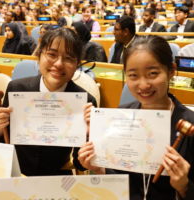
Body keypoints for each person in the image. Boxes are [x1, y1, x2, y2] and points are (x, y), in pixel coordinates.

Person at [78, 35, 194, 200]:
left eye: (152, 73)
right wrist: (97, 167)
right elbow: (119, 177)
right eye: (133, 75)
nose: (143, 85)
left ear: (171, 72)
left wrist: (184, 186)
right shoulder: (121, 117)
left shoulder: (190, 125)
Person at [0, 27, 97, 176]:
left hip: (56, 178)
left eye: (69, 58)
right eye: (52, 54)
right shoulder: (16, 89)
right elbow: (3, 144)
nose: (59, 64)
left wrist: (89, 139)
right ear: (39, 57)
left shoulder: (86, 101)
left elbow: (79, 165)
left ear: (77, 65)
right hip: (16, 175)